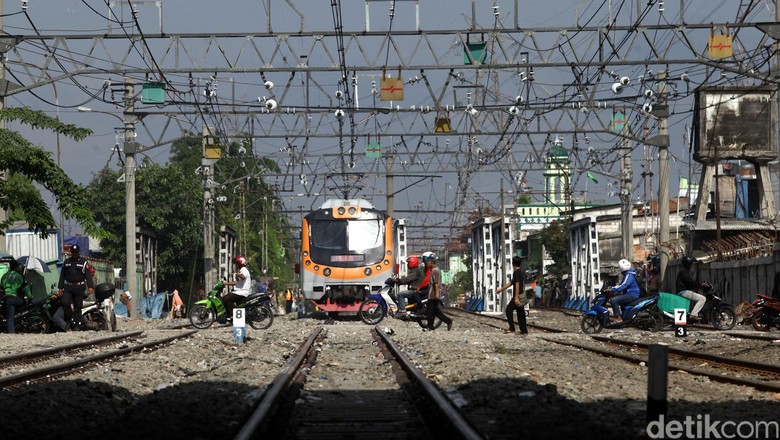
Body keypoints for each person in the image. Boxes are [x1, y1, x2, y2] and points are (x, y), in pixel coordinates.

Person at [57, 244, 95, 330]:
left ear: (79, 252)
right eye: (73, 252)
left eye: (76, 252)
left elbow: (88, 275)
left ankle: (77, 324)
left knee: (78, 306)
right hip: (68, 287)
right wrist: (60, 287)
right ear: (71, 252)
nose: (74, 254)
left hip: (79, 287)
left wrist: (90, 287)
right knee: (64, 302)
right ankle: (69, 319)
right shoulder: (66, 262)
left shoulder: (83, 262)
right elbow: (62, 275)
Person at [496, 256, 528, 335]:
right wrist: (501, 289)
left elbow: (516, 284)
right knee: (520, 313)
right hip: (520, 295)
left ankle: (512, 328)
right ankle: (524, 330)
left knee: (508, 310)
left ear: (513, 263)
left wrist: (516, 297)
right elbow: (511, 283)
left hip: (517, 296)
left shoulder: (516, 273)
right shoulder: (520, 272)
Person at [423, 252, 453, 331]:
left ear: (431, 262)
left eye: (427, 262)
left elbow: (436, 283)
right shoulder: (434, 270)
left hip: (433, 294)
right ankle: (447, 321)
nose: (426, 264)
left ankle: (431, 326)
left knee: (430, 311)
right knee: (434, 311)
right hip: (432, 294)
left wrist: (436, 294)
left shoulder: (435, 271)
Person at [2, 259, 33, 333]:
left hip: (7, 298)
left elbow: (2, 287)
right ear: (16, 267)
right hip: (15, 299)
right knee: (25, 305)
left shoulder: (5, 275)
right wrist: (30, 297)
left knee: (10, 317)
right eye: (19, 266)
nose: (19, 268)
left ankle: (11, 333)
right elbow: (26, 288)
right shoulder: (19, 276)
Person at [607, 259, 641, 323]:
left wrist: (612, 289)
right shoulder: (628, 274)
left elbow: (624, 285)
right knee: (617, 298)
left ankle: (618, 318)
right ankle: (624, 317)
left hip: (632, 294)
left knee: (613, 300)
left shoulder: (629, 275)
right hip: (629, 294)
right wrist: (612, 288)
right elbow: (621, 285)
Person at [675, 255, 708, 322]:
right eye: (691, 264)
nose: (692, 266)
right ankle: (693, 314)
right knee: (702, 299)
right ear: (688, 264)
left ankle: (692, 313)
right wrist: (700, 285)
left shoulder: (684, 271)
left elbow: (690, 282)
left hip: (683, 291)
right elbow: (690, 281)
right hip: (683, 292)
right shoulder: (684, 272)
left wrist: (698, 285)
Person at [223, 255, 252, 321]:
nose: (236, 266)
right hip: (240, 291)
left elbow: (243, 276)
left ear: (240, 263)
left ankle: (233, 314)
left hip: (243, 292)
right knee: (227, 298)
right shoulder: (241, 270)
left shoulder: (243, 270)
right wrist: (226, 283)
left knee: (226, 299)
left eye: (236, 264)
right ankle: (230, 314)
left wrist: (236, 275)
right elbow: (236, 283)